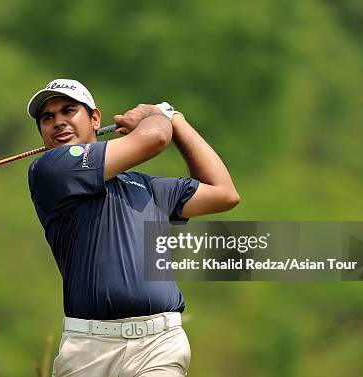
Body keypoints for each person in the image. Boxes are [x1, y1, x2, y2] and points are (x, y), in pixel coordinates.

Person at [27, 79, 240, 376]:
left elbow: (223, 193)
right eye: (47, 118)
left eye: (68, 110)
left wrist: (175, 119)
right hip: (88, 347)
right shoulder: (51, 170)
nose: (58, 122)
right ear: (42, 134)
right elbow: (153, 139)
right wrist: (155, 117)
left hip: (158, 344)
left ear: (95, 119)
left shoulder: (144, 186)